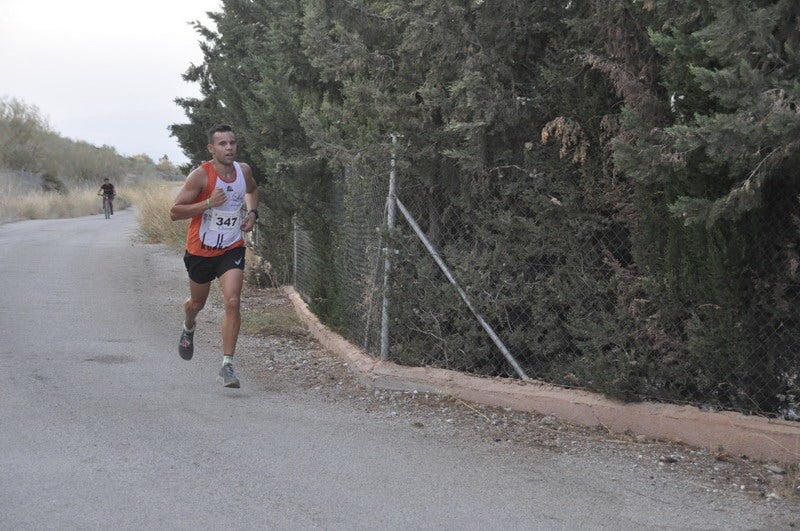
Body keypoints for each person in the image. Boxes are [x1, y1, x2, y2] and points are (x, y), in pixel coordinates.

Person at [169, 124, 259, 388]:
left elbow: (253, 191)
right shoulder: (200, 176)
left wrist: (252, 214)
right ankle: (189, 325)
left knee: (232, 301)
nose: (229, 148)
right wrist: (208, 203)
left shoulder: (243, 171)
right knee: (197, 304)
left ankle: (227, 365)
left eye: (232, 143)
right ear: (211, 148)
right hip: (201, 251)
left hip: (231, 247)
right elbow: (175, 212)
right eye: (222, 144)